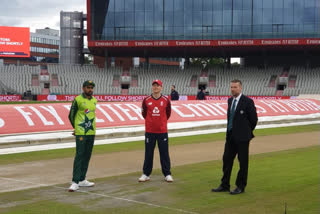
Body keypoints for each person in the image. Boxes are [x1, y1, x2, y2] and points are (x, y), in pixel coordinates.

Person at [212, 79, 258, 195]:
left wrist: (246, 132)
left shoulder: (248, 101)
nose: (233, 89)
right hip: (230, 136)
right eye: (231, 87)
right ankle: (224, 185)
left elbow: (254, 120)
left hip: (243, 138)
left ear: (240, 88)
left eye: (235, 87)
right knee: (226, 160)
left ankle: (240, 186)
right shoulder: (229, 101)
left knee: (243, 162)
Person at [138, 79, 173, 183]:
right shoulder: (146, 100)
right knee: (148, 153)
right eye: (154, 85)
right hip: (150, 131)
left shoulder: (166, 100)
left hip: (162, 131)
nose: (155, 87)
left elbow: (168, 113)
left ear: (161, 88)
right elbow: (144, 113)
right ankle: (146, 174)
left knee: (164, 153)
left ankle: (167, 174)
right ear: (152, 87)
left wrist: (161, 122)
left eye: (157, 86)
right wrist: (150, 122)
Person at [68, 80, 98, 192]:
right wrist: (76, 128)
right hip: (81, 132)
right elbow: (71, 115)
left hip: (91, 132)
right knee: (79, 156)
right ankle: (75, 182)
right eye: (88, 87)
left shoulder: (95, 100)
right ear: (83, 88)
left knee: (87, 156)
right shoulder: (77, 99)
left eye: (91, 87)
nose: (90, 89)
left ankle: (82, 179)